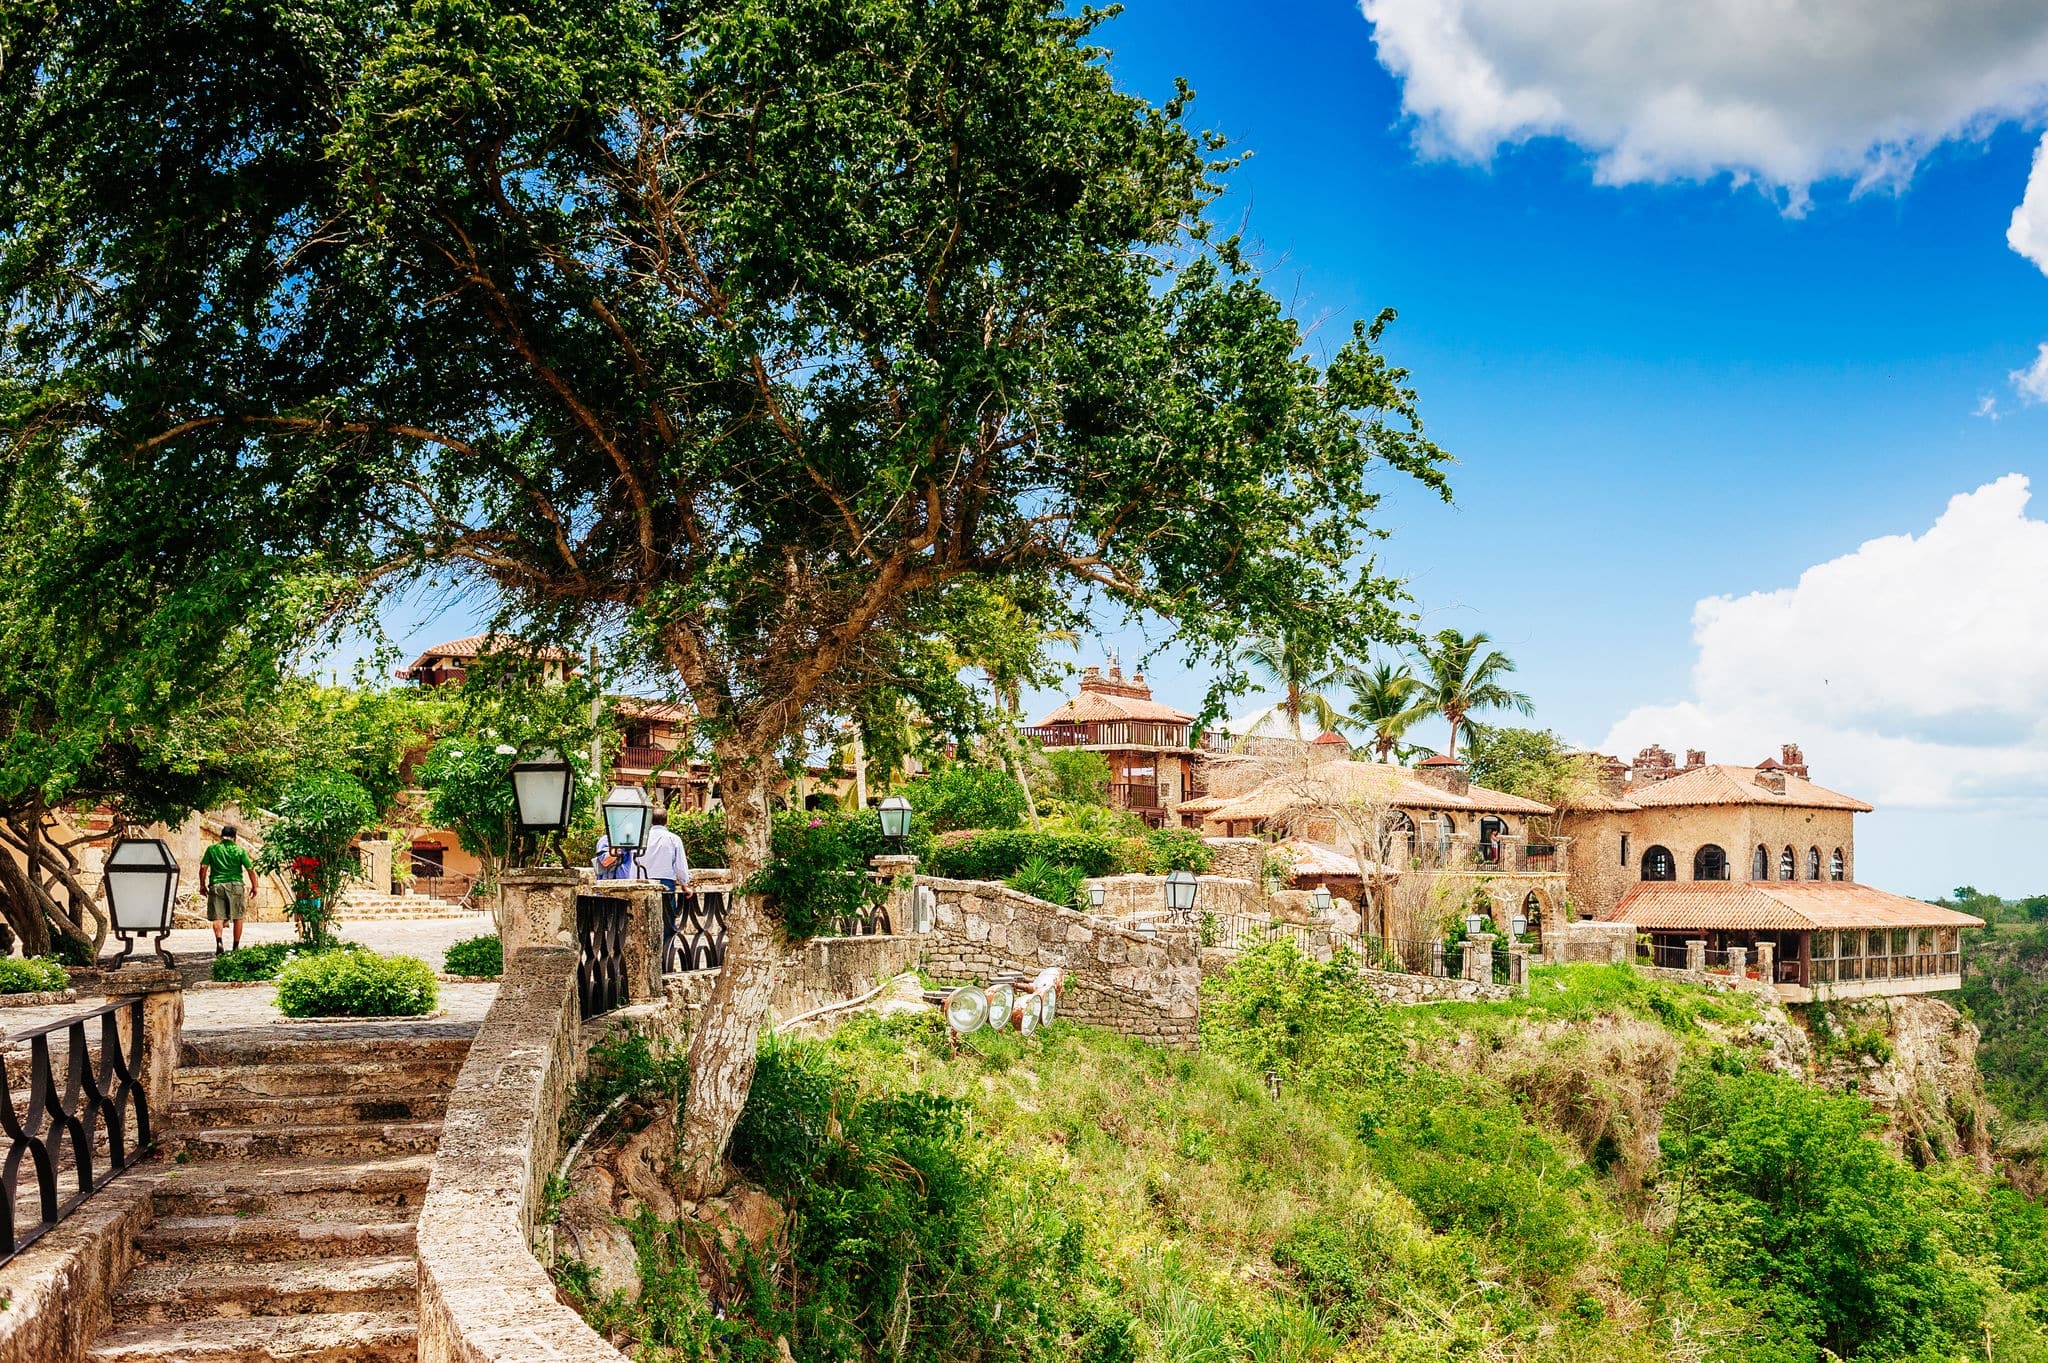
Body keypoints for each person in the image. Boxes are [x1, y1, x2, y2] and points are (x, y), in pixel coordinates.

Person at [198, 825, 260, 955]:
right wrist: (255, 886)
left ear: (221, 836)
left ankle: (219, 942)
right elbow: (250, 870)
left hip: (217, 885)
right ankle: (235, 947)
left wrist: (202, 885)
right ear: (235, 837)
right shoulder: (239, 851)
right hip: (235, 885)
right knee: (238, 916)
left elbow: (203, 867)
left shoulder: (212, 849)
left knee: (218, 916)